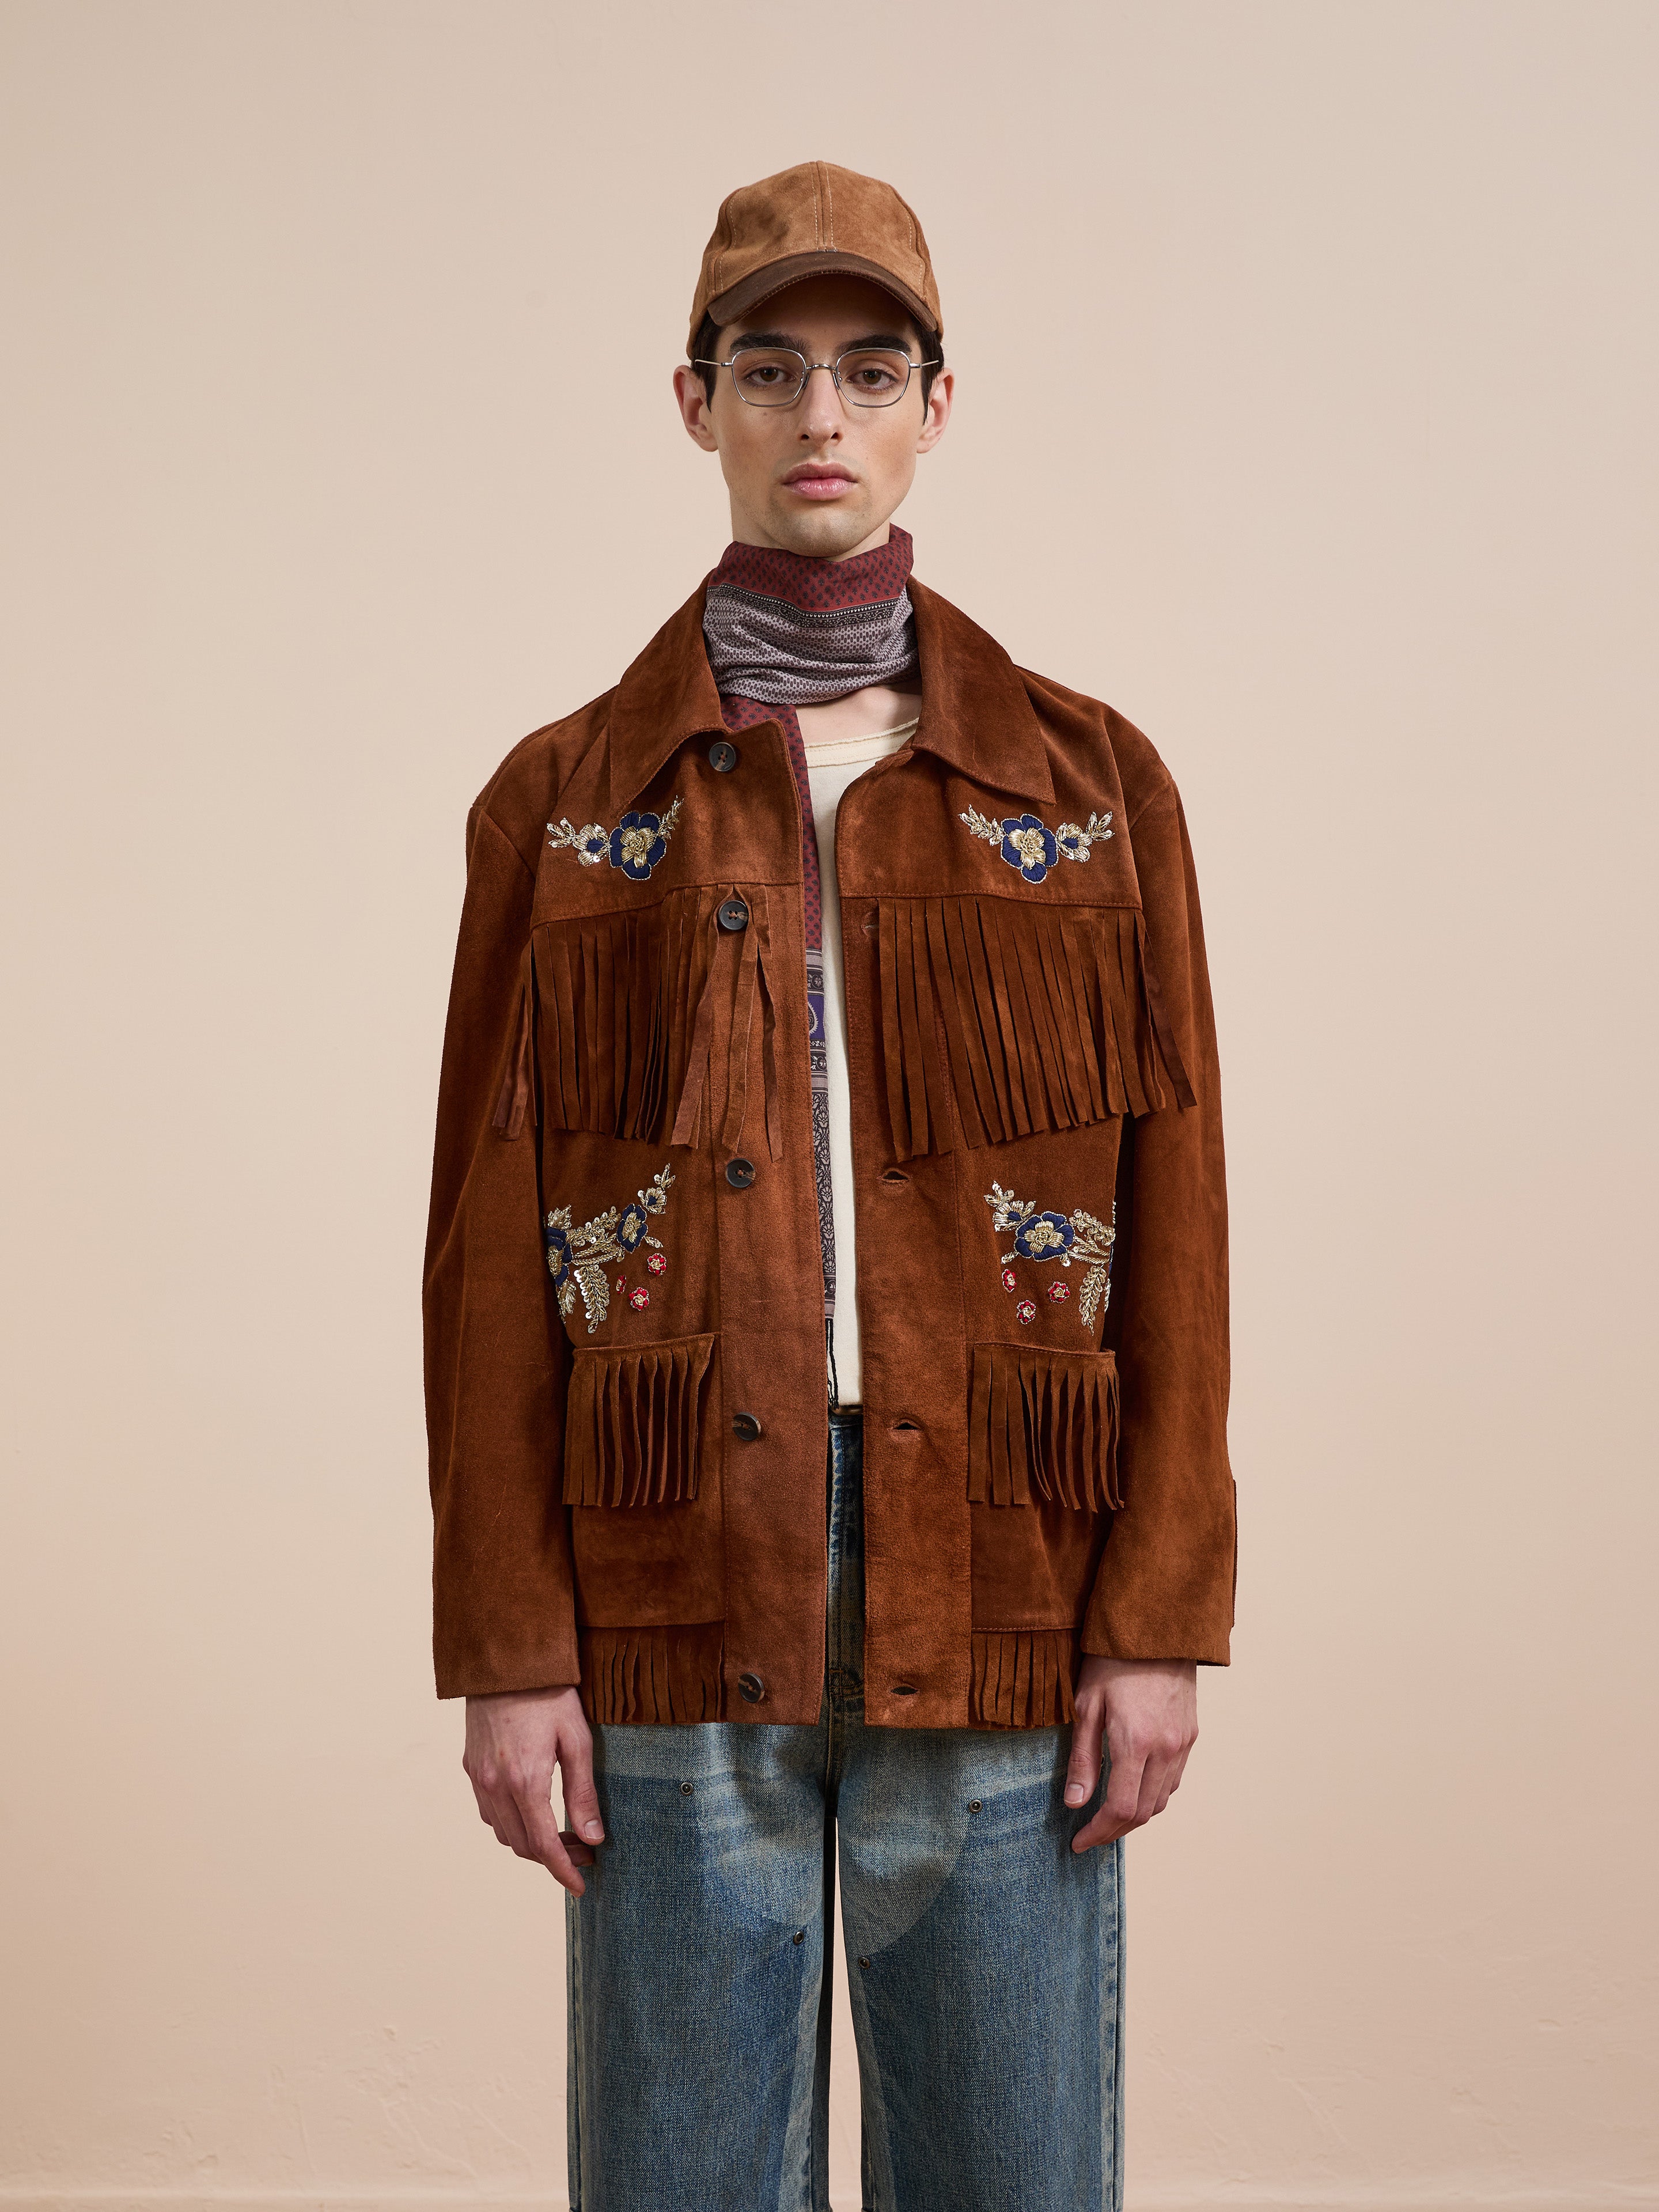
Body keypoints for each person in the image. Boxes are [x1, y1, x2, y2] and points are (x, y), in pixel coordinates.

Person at [423, 159, 1235, 2212]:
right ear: (691, 402)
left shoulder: (1090, 788)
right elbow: (487, 1253)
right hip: (675, 1583)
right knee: (682, 2181)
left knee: (1012, 2178)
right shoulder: (563, 807)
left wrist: (1160, 1618)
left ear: (937, 407)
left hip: (1012, 1592)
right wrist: (512, 1646)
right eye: (768, 370)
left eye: (870, 371)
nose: (819, 419)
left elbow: (1183, 1223)